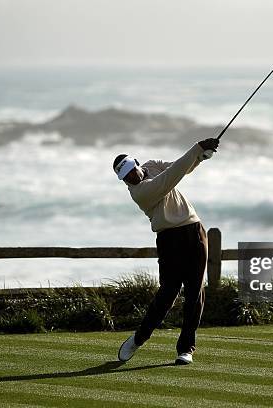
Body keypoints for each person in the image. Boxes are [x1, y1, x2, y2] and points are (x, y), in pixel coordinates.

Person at [114, 138, 219, 365]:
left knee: (195, 293)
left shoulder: (153, 164)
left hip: (194, 231)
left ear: (137, 164)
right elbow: (171, 178)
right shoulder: (139, 193)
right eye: (126, 177)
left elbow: (180, 167)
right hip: (169, 239)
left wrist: (201, 157)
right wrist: (198, 148)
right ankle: (139, 338)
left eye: (132, 171)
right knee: (167, 294)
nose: (131, 178)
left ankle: (186, 348)